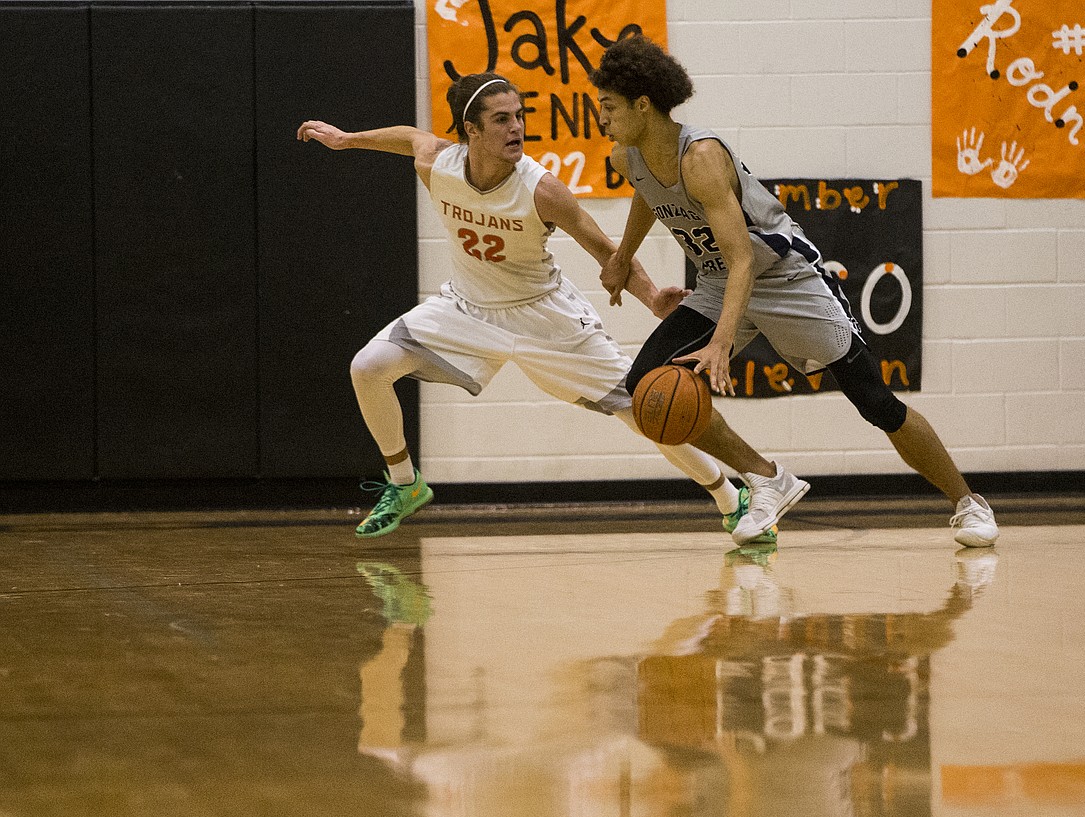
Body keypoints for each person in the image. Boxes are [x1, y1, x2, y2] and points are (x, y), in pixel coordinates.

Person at [297, 72, 775, 540]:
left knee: (648, 410)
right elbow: (411, 138)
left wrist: (651, 296)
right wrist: (347, 139)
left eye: (520, 116)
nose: (517, 128)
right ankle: (405, 484)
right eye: (502, 119)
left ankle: (731, 501)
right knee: (368, 367)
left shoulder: (540, 188)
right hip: (466, 308)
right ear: (472, 130)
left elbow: (605, 249)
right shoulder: (439, 165)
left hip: (546, 318)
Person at [589, 36, 999, 547]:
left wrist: (721, 342)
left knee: (875, 402)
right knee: (649, 384)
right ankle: (767, 478)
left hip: (784, 277)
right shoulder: (630, 156)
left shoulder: (700, 157)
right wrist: (623, 255)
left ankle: (968, 503)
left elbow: (743, 257)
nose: (600, 118)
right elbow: (649, 195)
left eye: (607, 106)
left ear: (643, 105)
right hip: (721, 282)